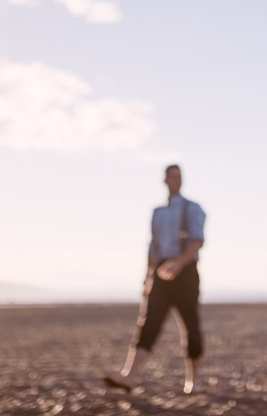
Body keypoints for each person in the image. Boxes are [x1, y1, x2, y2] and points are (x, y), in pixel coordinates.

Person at [105, 164, 206, 395]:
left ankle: (193, 381)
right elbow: (152, 247)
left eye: (179, 177)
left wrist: (179, 263)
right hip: (161, 273)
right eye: (172, 177)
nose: (176, 181)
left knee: (190, 325)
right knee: (148, 322)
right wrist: (147, 278)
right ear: (164, 180)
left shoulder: (192, 208)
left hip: (186, 271)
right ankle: (129, 377)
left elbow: (197, 240)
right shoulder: (158, 212)